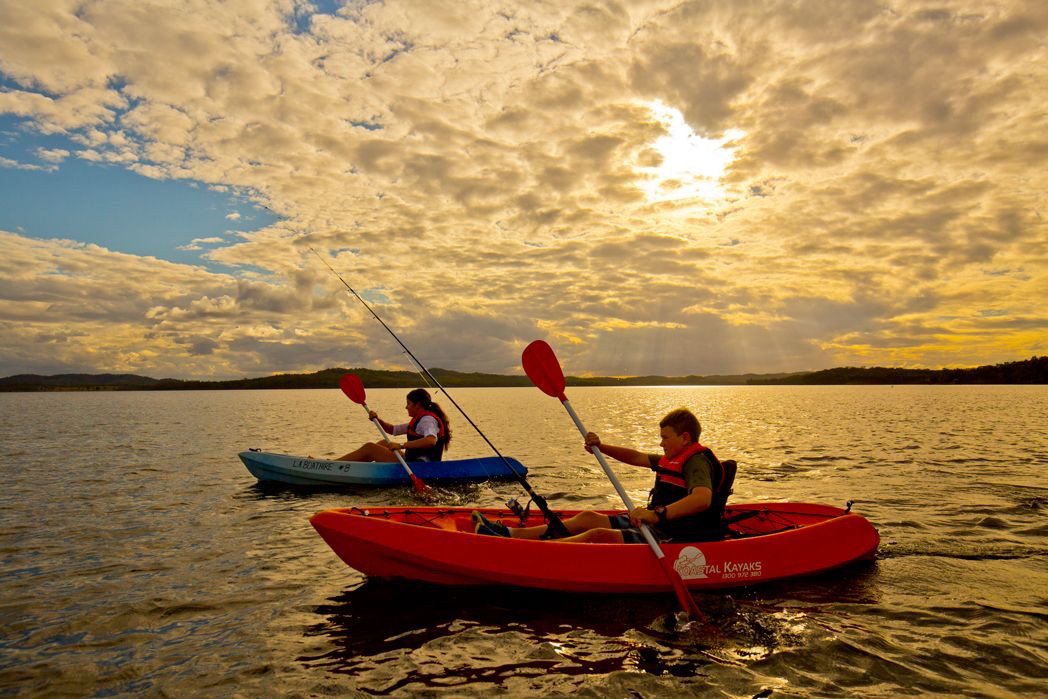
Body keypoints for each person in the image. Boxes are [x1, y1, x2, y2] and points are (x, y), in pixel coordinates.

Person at [473, 408, 729, 543]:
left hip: (677, 537)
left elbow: (702, 499)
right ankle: (510, 536)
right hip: (657, 525)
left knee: (597, 536)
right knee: (588, 517)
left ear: (684, 438)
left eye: (665, 437)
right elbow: (636, 457)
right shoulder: (672, 457)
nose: (661, 443)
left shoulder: (696, 462)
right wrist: (601, 446)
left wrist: (655, 514)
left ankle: (527, 553)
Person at [336, 388, 451, 462]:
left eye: (408, 404)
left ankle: (334, 466)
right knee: (384, 443)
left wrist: (401, 445)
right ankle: (347, 466)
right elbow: (392, 430)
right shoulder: (420, 420)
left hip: (421, 466)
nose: (406, 407)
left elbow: (430, 440)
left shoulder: (427, 420)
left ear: (418, 405)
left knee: (370, 448)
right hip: (414, 462)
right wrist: (377, 419)